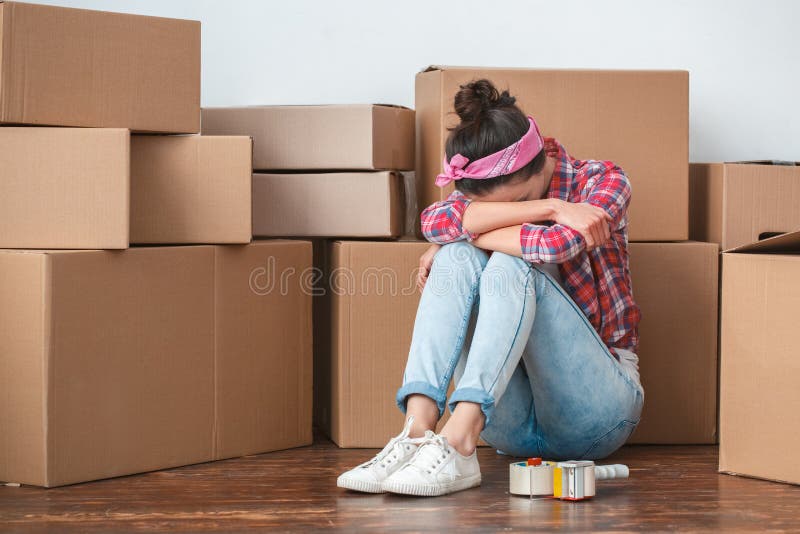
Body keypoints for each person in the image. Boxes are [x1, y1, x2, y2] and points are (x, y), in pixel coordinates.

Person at [338, 79, 643, 497]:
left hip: (596, 412)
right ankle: (417, 432)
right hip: (506, 424)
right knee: (454, 257)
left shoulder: (602, 180)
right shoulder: (540, 200)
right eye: (495, 209)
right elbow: (433, 222)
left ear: (537, 167)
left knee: (507, 257)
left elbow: (554, 244)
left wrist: (470, 228)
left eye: (514, 202)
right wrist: (549, 207)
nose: (509, 215)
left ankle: (460, 436)